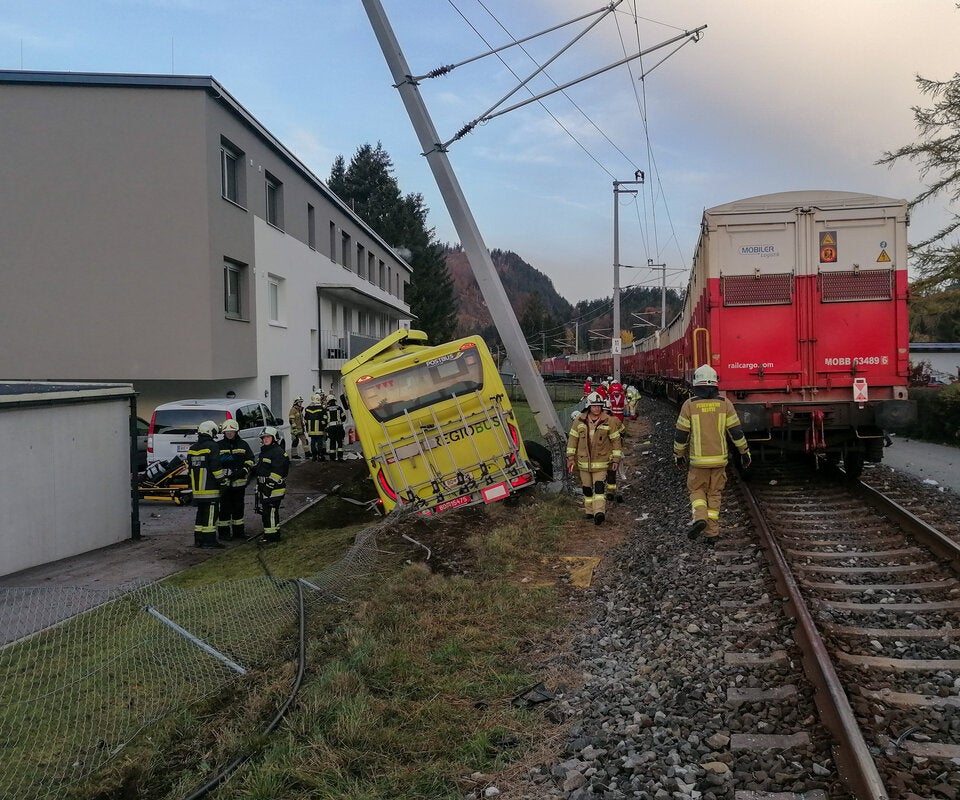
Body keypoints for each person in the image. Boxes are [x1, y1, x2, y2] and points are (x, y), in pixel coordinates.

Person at [674, 365, 751, 545]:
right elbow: (736, 433)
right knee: (715, 494)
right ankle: (712, 533)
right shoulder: (725, 404)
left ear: (696, 384)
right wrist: (744, 452)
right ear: (715, 384)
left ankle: (700, 517)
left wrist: (678, 455)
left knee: (696, 490)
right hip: (719, 460)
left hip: (698, 462)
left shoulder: (689, 405)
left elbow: (681, 435)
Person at [566, 391, 623, 526]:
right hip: (583, 463)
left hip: (601, 463)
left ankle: (599, 513)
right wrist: (570, 458)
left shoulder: (608, 421)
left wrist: (616, 459)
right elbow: (572, 440)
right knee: (587, 488)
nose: (597, 408)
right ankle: (589, 511)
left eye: (599, 406)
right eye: (594, 406)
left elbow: (616, 441)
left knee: (598, 488)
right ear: (588, 406)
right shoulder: (579, 421)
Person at [188, 420, 226, 548]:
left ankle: (198, 539)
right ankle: (210, 541)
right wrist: (223, 481)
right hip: (210, 488)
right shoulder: (213, 446)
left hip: (197, 489)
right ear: (210, 431)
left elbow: (190, 469)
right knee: (210, 515)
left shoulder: (192, 449)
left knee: (200, 515)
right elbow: (216, 468)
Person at [216, 419, 256, 540]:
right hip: (225, 484)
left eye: (231, 432)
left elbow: (250, 459)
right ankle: (224, 534)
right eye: (227, 432)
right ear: (224, 432)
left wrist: (244, 470)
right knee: (224, 509)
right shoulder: (219, 446)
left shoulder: (243, 445)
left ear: (236, 432)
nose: (229, 434)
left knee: (238, 509)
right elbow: (215, 463)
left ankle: (239, 533)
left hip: (239, 484)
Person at [255, 426, 290, 543]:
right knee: (267, 512)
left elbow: (278, 471)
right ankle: (270, 534)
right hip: (265, 487)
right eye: (264, 437)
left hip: (274, 488)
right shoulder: (266, 451)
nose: (265, 439)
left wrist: (269, 485)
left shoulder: (277, 452)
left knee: (270, 512)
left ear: (274, 438)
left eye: (268, 437)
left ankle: (272, 537)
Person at [303, 392, 328, 461]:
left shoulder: (307, 409)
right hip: (319, 429)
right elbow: (325, 418)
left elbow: (305, 420)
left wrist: (307, 428)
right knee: (320, 443)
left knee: (313, 443)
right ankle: (320, 456)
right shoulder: (321, 408)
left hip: (311, 430)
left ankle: (314, 456)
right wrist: (325, 426)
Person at [325, 396, 347, 461]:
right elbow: (344, 417)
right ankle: (340, 457)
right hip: (339, 427)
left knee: (332, 442)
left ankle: (332, 457)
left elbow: (325, 419)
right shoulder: (339, 408)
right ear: (334, 400)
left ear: (328, 401)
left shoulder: (326, 409)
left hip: (331, 428)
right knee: (340, 442)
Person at [287, 396, 308, 460]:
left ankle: (307, 453)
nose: (301, 403)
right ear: (296, 402)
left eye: (301, 402)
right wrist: (294, 429)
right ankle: (294, 455)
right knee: (295, 441)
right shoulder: (293, 410)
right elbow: (291, 420)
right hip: (295, 430)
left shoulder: (299, 410)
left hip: (301, 429)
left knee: (305, 441)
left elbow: (301, 419)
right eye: (299, 402)